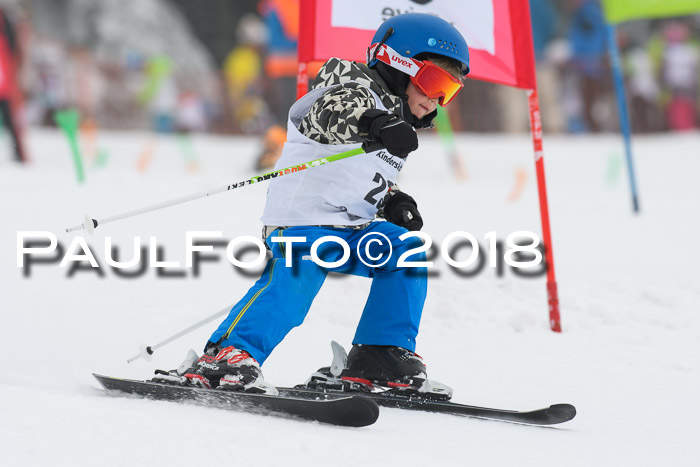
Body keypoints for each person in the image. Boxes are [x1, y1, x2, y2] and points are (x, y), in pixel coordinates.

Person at [161, 13, 470, 397]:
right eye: (435, 83)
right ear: (399, 62)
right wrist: (375, 122)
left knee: (406, 251)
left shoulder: (396, 121)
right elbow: (331, 114)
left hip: (354, 228)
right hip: (302, 221)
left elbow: (356, 177)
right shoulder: (349, 83)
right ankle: (227, 355)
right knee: (296, 281)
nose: (437, 100)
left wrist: (391, 200)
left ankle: (379, 357)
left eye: (450, 91)